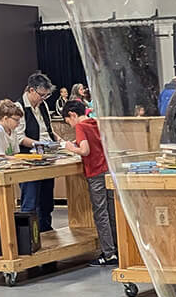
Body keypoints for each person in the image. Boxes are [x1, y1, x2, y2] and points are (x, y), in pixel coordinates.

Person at [63, 98, 118, 266]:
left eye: (68, 122)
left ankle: (108, 254)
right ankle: (118, 248)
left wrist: (71, 148)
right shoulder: (94, 122)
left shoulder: (80, 126)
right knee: (112, 212)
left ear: (72, 115)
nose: (70, 126)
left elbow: (85, 150)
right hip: (107, 170)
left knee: (100, 214)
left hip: (95, 173)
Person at [17, 72, 59, 231]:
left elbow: (49, 129)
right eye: (41, 95)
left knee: (47, 201)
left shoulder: (43, 105)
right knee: (30, 201)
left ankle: (46, 232)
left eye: (46, 96)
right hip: (29, 160)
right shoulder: (19, 107)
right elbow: (19, 138)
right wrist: (40, 144)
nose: (43, 99)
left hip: (47, 157)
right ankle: (29, 238)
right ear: (31, 90)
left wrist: (59, 141)